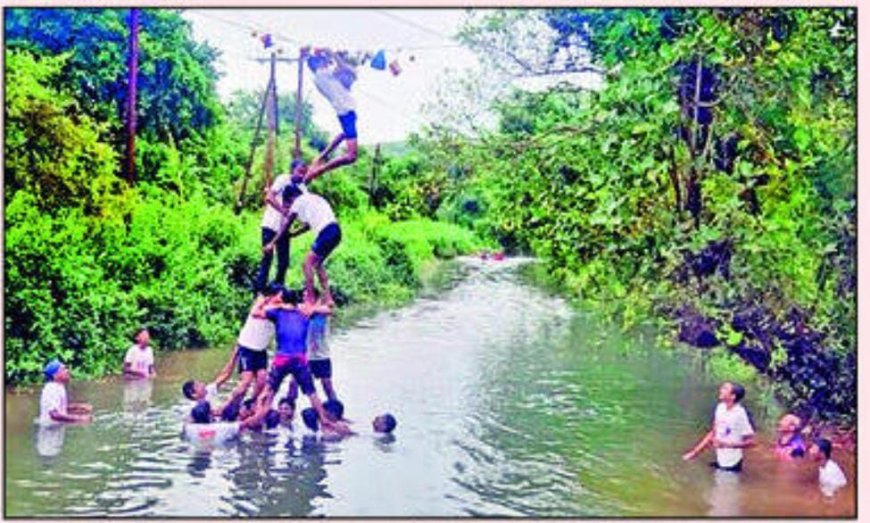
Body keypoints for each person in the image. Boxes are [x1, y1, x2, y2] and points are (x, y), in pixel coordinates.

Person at [253, 287, 350, 435]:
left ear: (283, 300)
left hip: (286, 359)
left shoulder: (278, 312)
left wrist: (263, 300)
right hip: (301, 359)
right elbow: (329, 310)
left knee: (270, 391)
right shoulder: (304, 311)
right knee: (310, 392)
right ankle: (323, 419)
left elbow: (255, 313)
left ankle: (258, 419)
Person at [265, 184, 342, 306]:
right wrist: (294, 234)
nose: (289, 208)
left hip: (326, 232)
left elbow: (286, 226)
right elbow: (307, 226)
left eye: (287, 205)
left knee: (307, 264)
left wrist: (272, 243)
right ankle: (328, 298)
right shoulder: (313, 198)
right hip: (336, 231)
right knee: (317, 264)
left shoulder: (297, 202)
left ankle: (310, 299)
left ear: (291, 198)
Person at [301, 47, 359, 182]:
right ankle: (319, 170)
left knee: (344, 134)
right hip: (346, 112)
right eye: (322, 61)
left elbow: (347, 76)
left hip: (345, 112)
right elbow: (344, 68)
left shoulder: (320, 77)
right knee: (351, 156)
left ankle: (321, 157)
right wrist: (329, 52)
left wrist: (327, 55)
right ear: (317, 64)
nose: (326, 62)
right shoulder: (322, 74)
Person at [254, 162, 308, 293]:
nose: (302, 175)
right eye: (299, 171)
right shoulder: (283, 179)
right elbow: (269, 197)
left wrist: (294, 232)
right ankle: (259, 291)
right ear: (292, 170)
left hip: (285, 229)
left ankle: (277, 291)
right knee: (267, 258)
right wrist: (283, 211)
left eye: (304, 173)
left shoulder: (303, 188)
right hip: (270, 224)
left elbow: (305, 212)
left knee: (283, 262)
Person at [682, 381, 755, 472]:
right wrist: (693, 453)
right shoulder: (720, 408)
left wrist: (726, 445)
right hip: (720, 459)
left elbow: (751, 442)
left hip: (732, 463)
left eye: (725, 389)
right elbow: (713, 433)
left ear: (733, 396)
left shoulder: (740, 414)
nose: (721, 390)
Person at [39, 360, 92, 424]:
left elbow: (60, 407)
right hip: (50, 430)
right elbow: (54, 414)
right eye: (63, 369)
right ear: (55, 375)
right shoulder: (51, 389)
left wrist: (79, 407)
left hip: (56, 428)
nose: (67, 371)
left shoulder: (58, 387)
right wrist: (80, 419)